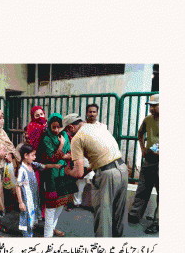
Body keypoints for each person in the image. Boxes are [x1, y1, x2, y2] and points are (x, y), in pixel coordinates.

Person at [64, 113, 128, 237]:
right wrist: (88, 170)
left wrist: (68, 172)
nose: (68, 134)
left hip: (107, 174)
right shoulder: (98, 127)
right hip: (122, 168)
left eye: (67, 130)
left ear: (71, 127)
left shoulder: (77, 138)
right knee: (119, 214)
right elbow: (100, 155)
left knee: (103, 216)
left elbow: (78, 173)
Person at [37, 113, 77, 237]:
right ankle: (47, 236)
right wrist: (61, 145)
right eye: (53, 127)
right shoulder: (46, 138)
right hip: (51, 174)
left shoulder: (64, 134)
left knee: (61, 202)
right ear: (49, 126)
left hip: (64, 172)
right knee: (51, 205)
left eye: (58, 127)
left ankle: (52, 227)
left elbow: (71, 154)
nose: (56, 130)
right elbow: (52, 158)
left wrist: (63, 155)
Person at [16, 144, 62, 237]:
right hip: (27, 200)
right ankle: (27, 237)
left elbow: (44, 166)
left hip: (33, 199)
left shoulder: (32, 165)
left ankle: (30, 234)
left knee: (31, 218)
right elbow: (18, 186)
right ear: (25, 155)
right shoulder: (22, 169)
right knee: (27, 219)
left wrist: (54, 165)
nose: (35, 157)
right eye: (32, 155)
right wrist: (21, 202)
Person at [128, 94, 159, 233]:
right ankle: (135, 214)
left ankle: (157, 222)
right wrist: (143, 149)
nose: (151, 108)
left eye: (154, 105)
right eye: (150, 105)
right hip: (149, 159)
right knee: (142, 188)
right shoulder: (147, 119)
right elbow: (140, 133)